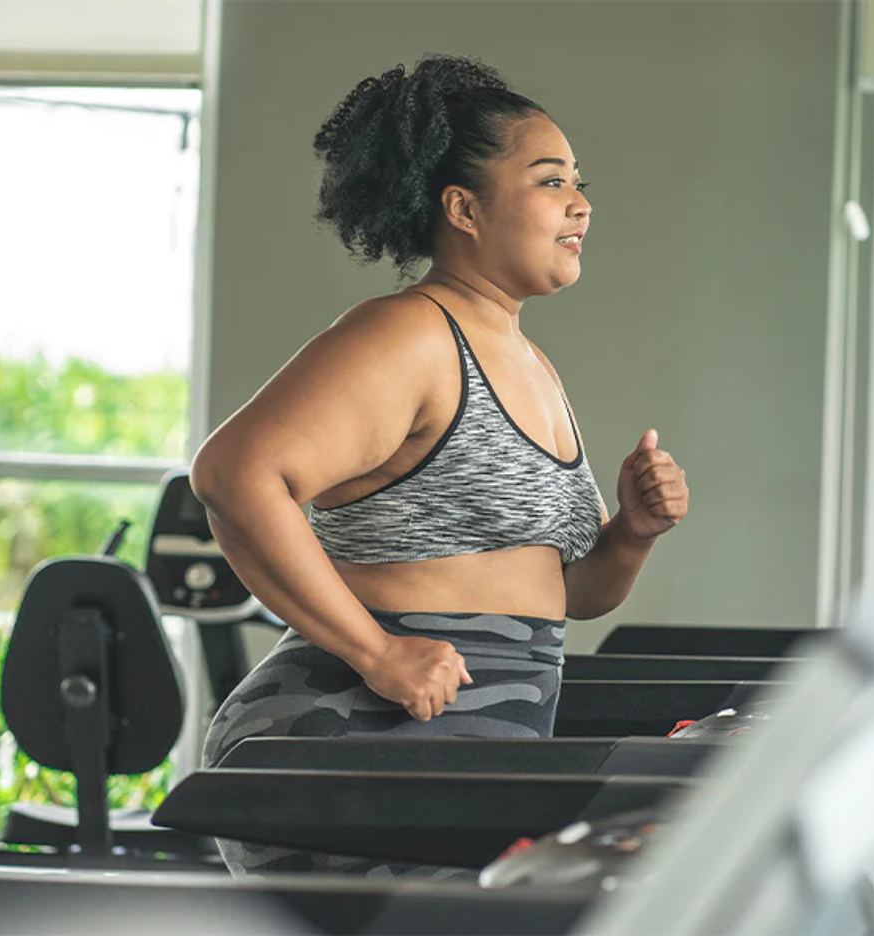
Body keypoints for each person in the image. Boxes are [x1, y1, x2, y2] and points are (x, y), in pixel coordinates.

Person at [190, 53, 689, 876]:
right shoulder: (411, 334)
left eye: (580, 182)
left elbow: (561, 597)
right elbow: (234, 476)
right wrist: (377, 653)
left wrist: (630, 536)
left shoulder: (526, 359)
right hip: (345, 747)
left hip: (458, 754)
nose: (581, 204)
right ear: (463, 207)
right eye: (550, 180)